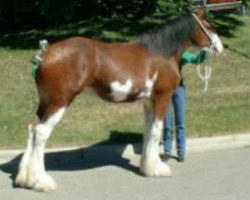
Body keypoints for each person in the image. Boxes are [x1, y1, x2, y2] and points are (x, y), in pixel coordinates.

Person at [163, 50, 208, 162]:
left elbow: (197, 60)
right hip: (166, 91)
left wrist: (204, 52)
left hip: (179, 89)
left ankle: (181, 152)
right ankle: (167, 151)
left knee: (180, 123)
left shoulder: (180, 55)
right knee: (167, 124)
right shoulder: (162, 54)